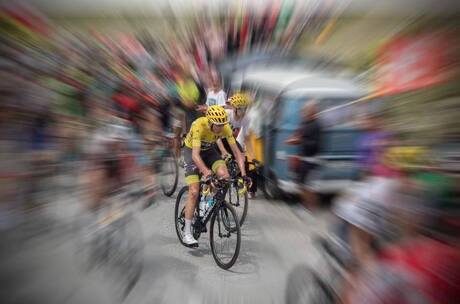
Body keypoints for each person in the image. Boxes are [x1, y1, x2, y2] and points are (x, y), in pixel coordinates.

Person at [181, 105, 249, 247]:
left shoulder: (225, 128)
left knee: (224, 175)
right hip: (192, 151)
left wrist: (243, 175)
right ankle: (187, 233)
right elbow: (195, 155)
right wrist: (207, 173)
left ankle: (206, 204)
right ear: (210, 122)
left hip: (209, 150)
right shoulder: (200, 125)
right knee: (194, 190)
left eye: (222, 124)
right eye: (217, 125)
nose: (220, 128)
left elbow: (237, 153)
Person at [218, 93, 258, 198]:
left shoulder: (246, 118)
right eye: (241, 109)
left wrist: (253, 157)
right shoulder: (226, 114)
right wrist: (223, 151)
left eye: (245, 109)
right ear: (234, 108)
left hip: (230, 139)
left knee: (242, 157)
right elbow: (217, 137)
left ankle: (239, 181)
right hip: (218, 138)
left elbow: (247, 139)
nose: (243, 112)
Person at [285, 100, 322, 210]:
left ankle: (311, 207)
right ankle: (305, 205)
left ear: (313, 111)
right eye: (304, 110)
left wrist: (299, 141)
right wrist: (294, 138)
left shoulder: (317, 125)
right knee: (301, 183)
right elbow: (299, 134)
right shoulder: (304, 123)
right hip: (303, 158)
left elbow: (316, 144)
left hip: (312, 159)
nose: (304, 112)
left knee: (308, 186)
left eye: (307, 110)